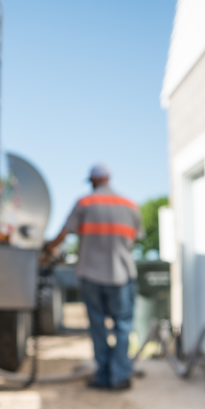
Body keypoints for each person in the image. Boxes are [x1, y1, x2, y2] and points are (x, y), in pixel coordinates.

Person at [44, 163, 142, 390]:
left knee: (98, 325)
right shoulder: (129, 204)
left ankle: (105, 376)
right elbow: (133, 240)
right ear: (109, 179)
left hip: (91, 272)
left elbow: (64, 233)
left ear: (92, 181)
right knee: (123, 326)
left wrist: (48, 250)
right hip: (122, 273)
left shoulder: (85, 203)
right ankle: (121, 376)